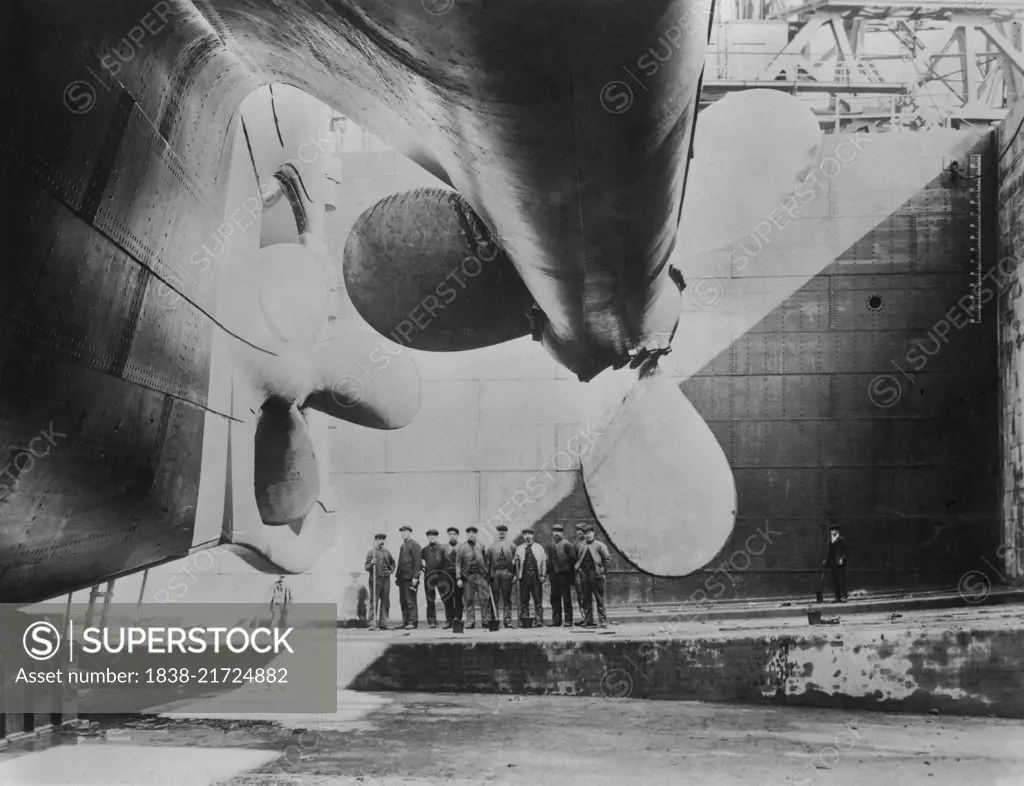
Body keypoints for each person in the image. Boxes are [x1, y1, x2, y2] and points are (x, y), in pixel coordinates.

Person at [575, 525, 610, 628]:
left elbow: (607, 559)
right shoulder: (582, 546)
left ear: (593, 533)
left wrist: (603, 572)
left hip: (596, 575)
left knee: (599, 599)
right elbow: (579, 560)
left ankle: (602, 621)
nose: (588, 535)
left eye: (589, 533)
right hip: (585, 575)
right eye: (585, 533)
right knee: (586, 599)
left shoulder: (600, 545)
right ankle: (588, 620)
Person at [456, 526, 490, 629]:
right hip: (468, 576)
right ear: (467, 534)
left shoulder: (481, 547)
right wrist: (458, 578)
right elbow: (458, 564)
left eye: (473, 533)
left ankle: (485, 620)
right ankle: (470, 621)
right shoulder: (462, 548)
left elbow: (486, 561)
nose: (471, 534)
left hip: (480, 576)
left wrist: (486, 574)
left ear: (476, 534)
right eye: (469, 533)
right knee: (469, 599)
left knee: (484, 599)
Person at [514, 527, 547, 626]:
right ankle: (525, 620)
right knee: (524, 599)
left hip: (536, 576)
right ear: (523, 536)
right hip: (524, 576)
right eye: (525, 534)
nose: (527, 536)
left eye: (529, 534)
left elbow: (544, 561)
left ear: (532, 535)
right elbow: (515, 562)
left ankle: (539, 620)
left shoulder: (539, 547)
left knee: (537, 598)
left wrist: (543, 575)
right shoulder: (519, 548)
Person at [547, 524, 577, 627]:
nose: (556, 533)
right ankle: (556, 620)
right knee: (554, 598)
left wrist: (571, 577)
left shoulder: (567, 545)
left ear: (562, 533)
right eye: (554, 531)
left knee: (566, 599)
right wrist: (549, 574)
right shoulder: (550, 545)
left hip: (564, 576)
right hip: (554, 576)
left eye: (558, 531)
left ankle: (568, 621)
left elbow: (572, 561)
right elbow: (550, 561)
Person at [487, 523, 516, 627]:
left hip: (506, 572)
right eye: (500, 531)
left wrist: (514, 574)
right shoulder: (492, 546)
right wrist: (489, 575)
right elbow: (489, 562)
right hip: (495, 573)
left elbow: (515, 561)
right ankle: (495, 619)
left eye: (504, 531)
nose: (502, 532)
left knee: (506, 597)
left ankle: (507, 620)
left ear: (506, 532)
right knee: (494, 597)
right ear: (497, 532)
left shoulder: (512, 545)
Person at [365, 533, 395, 630]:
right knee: (374, 601)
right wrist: (371, 563)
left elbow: (393, 562)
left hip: (386, 580)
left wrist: (391, 570)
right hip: (375, 580)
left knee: (385, 601)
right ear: (375, 540)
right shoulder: (371, 553)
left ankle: (383, 623)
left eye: (383, 539)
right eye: (379, 539)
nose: (381, 541)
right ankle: (372, 623)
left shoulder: (387, 552)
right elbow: (366, 567)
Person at [396, 525, 423, 629]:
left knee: (410, 600)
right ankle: (405, 621)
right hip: (402, 579)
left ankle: (413, 622)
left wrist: (416, 577)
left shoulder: (415, 545)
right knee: (403, 601)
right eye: (401, 531)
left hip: (411, 579)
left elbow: (418, 562)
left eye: (405, 531)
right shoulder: (403, 545)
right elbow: (400, 562)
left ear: (410, 533)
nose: (403, 533)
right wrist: (397, 577)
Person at [421, 529, 447, 628]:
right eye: (429, 535)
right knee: (430, 599)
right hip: (429, 577)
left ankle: (449, 620)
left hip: (441, 576)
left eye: (433, 535)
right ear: (427, 537)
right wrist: (423, 568)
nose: (431, 537)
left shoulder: (442, 548)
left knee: (446, 598)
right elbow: (420, 562)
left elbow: (446, 562)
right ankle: (432, 621)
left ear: (437, 537)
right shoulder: (424, 550)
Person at [441, 527, 463, 629]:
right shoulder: (443, 548)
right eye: (450, 534)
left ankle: (458, 620)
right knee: (447, 598)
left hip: (458, 577)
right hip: (446, 576)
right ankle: (449, 620)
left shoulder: (462, 547)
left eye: (454, 534)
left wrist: (460, 578)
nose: (452, 536)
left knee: (458, 598)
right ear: (448, 535)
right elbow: (439, 563)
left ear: (457, 535)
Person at [824, 525, 848, 602]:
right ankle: (837, 596)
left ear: (837, 531)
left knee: (841, 579)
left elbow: (846, 551)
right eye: (832, 530)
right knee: (834, 580)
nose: (833, 531)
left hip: (839, 562)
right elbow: (828, 551)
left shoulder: (841, 540)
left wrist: (842, 558)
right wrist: (826, 560)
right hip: (832, 562)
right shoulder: (829, 540)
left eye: (834, 530)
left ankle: (843, 596)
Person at [573, 523, 587, 625]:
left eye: (582, 530)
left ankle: (591, 617)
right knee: (580, 596)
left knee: (589, 596)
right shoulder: (575, 544)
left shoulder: (589, 543)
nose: (580, 532)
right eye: (578, 530)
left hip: (588, 573)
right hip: (578, 573)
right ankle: (584, 617)